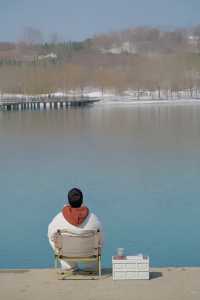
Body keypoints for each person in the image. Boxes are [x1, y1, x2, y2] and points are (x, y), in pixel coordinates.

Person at [48, 188, 103, 271]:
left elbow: (51, 236)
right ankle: (91, 266)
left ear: (69, 201)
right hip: (89, 252)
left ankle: (69, 266)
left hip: (67, 253)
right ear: (82, 200)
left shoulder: (58, 218)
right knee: (99, 238)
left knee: (51, 237)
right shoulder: (93, 218)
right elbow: (101, 238)